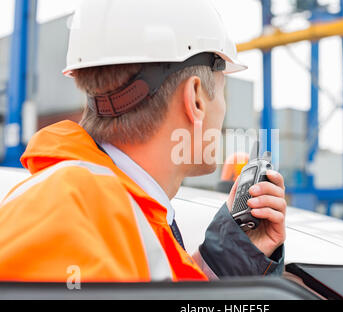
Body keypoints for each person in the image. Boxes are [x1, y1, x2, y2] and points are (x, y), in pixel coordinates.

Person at [0, 0, 286, 282]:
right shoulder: (74, 220)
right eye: (223, 91)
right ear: (196, 98)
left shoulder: (111, 214)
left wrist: (232, 256)